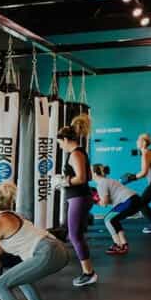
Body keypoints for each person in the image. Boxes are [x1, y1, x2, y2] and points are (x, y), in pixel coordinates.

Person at [57, 114, 98, 287]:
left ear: (66, 139)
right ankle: (88, 272)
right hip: (77, 197)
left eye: (60, 142)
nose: (60, 146)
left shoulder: (75, 154)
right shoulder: (77, 153)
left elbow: (82, 178)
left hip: (79, 197)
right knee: (75, 234)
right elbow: (86, 175)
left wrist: (63, 181)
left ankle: (89, 273)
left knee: (74, 235)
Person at [93, 165, 142, 255]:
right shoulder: (108, 180)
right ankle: (123, 244)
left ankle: (118, 245)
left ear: (95, 173)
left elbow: (105, 203)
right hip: (134, 200)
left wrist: (95, 201)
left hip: (129, 200)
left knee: (108, 219)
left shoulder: (101, 183)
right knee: (114, 219)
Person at [133, 133, 151, 234]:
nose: (136, 142)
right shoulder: (148, 152)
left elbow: (144, 172)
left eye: (138, 140)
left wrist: (132, 177)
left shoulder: (145, 153)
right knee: (142, 203)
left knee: (140, 203)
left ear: (144, 142)